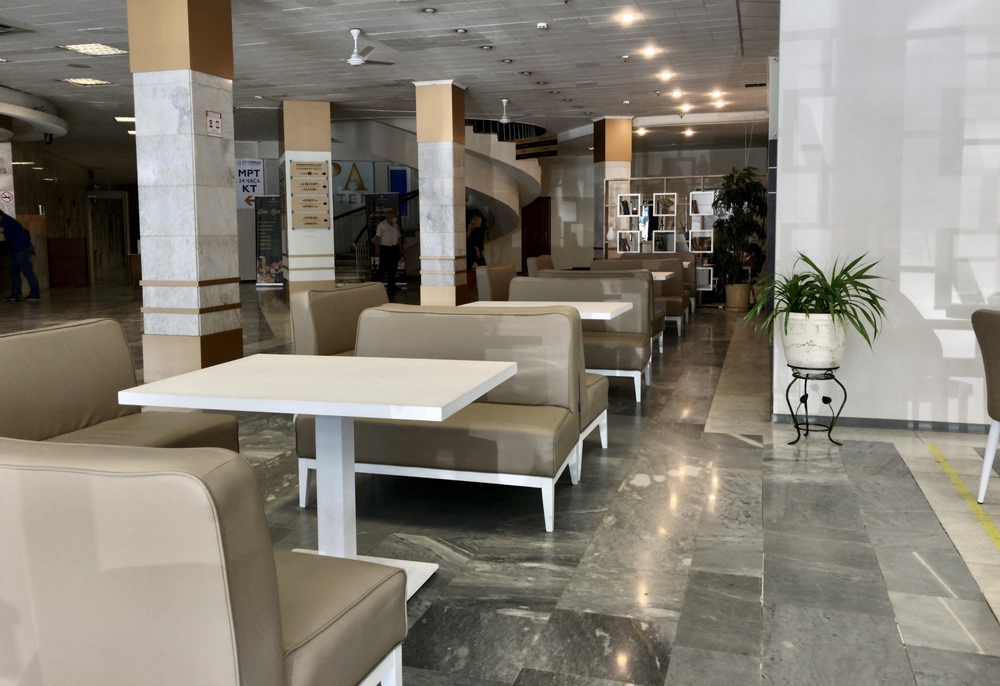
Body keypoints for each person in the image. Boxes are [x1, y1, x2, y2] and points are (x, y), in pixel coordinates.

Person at [0, 209, 40, 302]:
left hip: (22, 249)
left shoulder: (6, 220)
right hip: (17, 250)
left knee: (27, 272)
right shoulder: (6, 220)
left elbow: (1, 230)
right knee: (13, 271)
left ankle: (35, 294)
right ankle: (16, 294)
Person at [373, 209, 403, 293]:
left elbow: (398, 238)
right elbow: (377, 237)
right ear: (389, 216)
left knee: (393, 268)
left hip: (394, 249)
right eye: (394, 215)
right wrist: (376, 249)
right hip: (385, 249)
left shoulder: (395, 225)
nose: (396, 217)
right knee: (382, 268)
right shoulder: (382, 225)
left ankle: (391, 286)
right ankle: (376, 287)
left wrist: (401, 249)